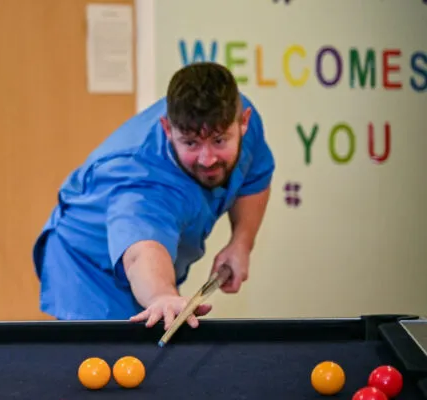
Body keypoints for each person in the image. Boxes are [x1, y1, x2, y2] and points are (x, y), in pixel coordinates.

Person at [32, 62, 274, 329]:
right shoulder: (140, 178)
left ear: (243, 122)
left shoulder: (241, 120)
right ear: (168, 129)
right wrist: (162, 295)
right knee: (114, 364)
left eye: (219, 141)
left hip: (153, 272)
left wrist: (241, 243)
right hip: (89, 271)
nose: (207, 159)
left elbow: (255, 178)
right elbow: (142, 253)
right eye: (191, 143)